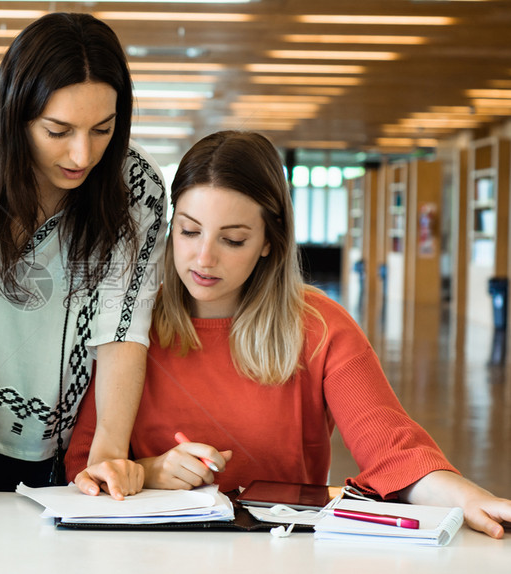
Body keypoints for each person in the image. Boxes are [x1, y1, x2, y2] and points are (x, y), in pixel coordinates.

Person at [66, 130, 511, 538]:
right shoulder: (131, 323)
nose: (203, 258)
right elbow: (83, 465)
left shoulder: (320, 327)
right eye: (188, 231)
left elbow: (395, 450)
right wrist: (150, 471)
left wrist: (468, 498)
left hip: (282, 550)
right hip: (149, 552)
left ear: (268, 241)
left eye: (233, 239)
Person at [0, 12, 165, 495]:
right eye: (57, 130)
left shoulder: (136, 187)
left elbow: (122, 326)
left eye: (103, 129)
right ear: (15, 112)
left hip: (54, 447)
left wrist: (108, 453)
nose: (82, 156)